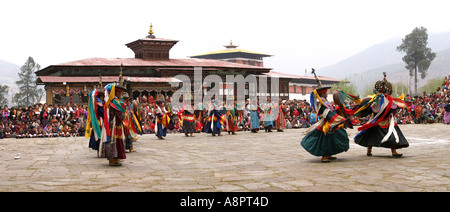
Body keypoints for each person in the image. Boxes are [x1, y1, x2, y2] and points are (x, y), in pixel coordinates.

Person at [352, 73, 409, 157]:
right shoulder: (374, 100)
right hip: (376, 120)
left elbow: (394, 107)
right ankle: (369, 150)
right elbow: (370, 108)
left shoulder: (389, 100)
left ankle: (393, 151)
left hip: (387, 121)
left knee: (392, 134)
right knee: (370, 135)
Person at [300, 69, 350, 163]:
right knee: (326, 140)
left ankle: (329, 154)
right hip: (326, 125)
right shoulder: (322, 103)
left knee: (333, 138)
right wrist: (337, 118)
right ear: (322, 93)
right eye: (326, 92)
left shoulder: (325, 102)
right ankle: (324, 156)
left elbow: (331, 111)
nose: (327, 93)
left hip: (331, 122)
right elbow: (326, 113)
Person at [103, 83, 128, 166]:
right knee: (114, 141)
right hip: (114, 124)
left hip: (116, 124)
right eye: (119, 92)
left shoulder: (112, 102)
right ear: (115, 92)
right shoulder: (113, 102)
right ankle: (113, 158)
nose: (120, 94)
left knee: (118, 140)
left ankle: (116, 157)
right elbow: (120, 113)